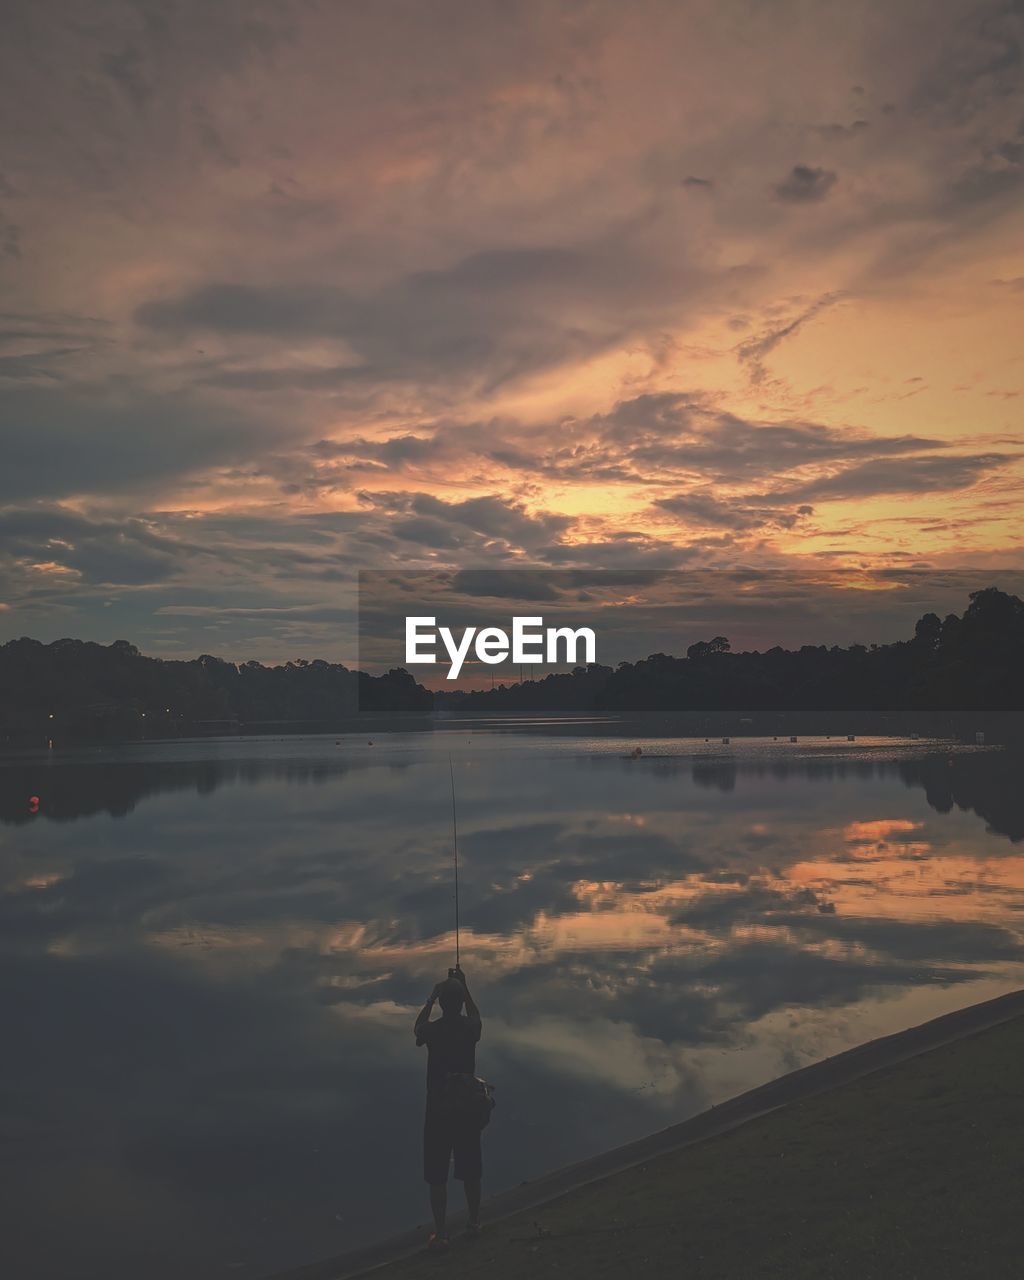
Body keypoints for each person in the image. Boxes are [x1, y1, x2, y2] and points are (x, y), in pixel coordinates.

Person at [414, 965, 483, 1252]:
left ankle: (441, 1233)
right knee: (471, 1169)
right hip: (466, 1109)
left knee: (437, 1174)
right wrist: (464, 987)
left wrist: (430, 998)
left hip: (439, 1110)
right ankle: (474, 1223)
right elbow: (476, 1017)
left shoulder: (433, 1031)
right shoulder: (470, 1029)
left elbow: (417, 1029)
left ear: (442, 1003)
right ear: (459, 1003)